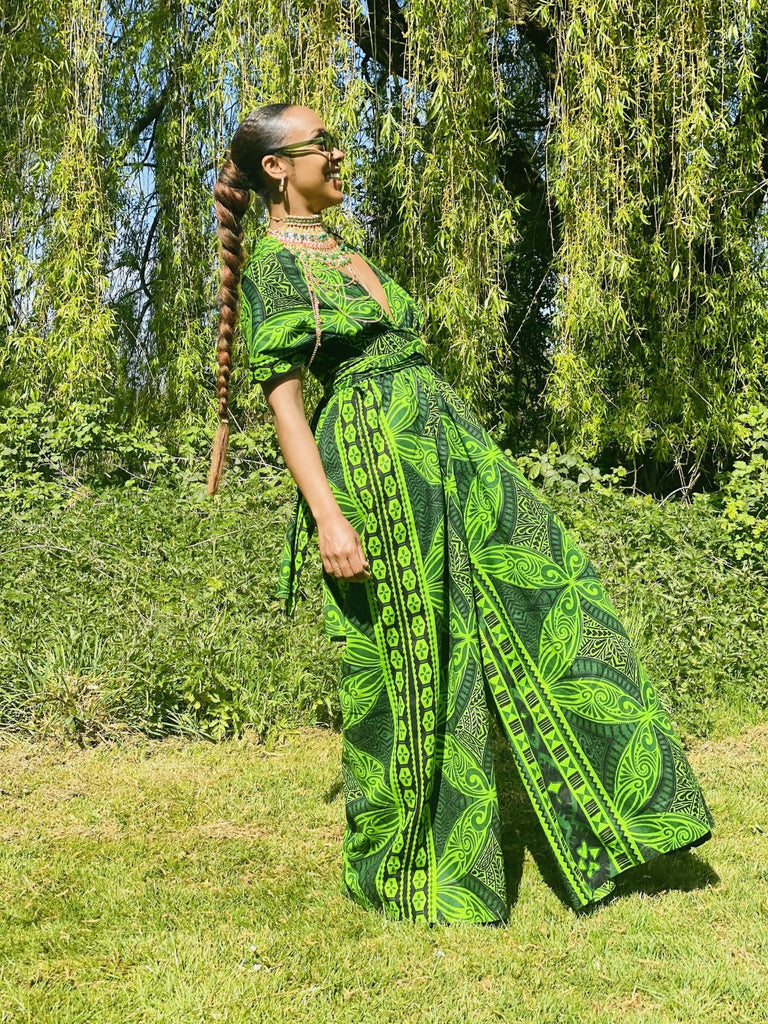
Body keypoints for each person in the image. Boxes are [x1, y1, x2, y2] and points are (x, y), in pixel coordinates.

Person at [207, 102, 714, 926]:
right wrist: (329, 518)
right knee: (413, 655)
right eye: (322, 145)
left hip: (447, 447)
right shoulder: (276, 266)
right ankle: (417, 870)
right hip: (375, 464)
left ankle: (625, 818)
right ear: (277, 167)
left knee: (554, 593)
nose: (338, 155)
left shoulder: (343, 249)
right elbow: (285, 404)